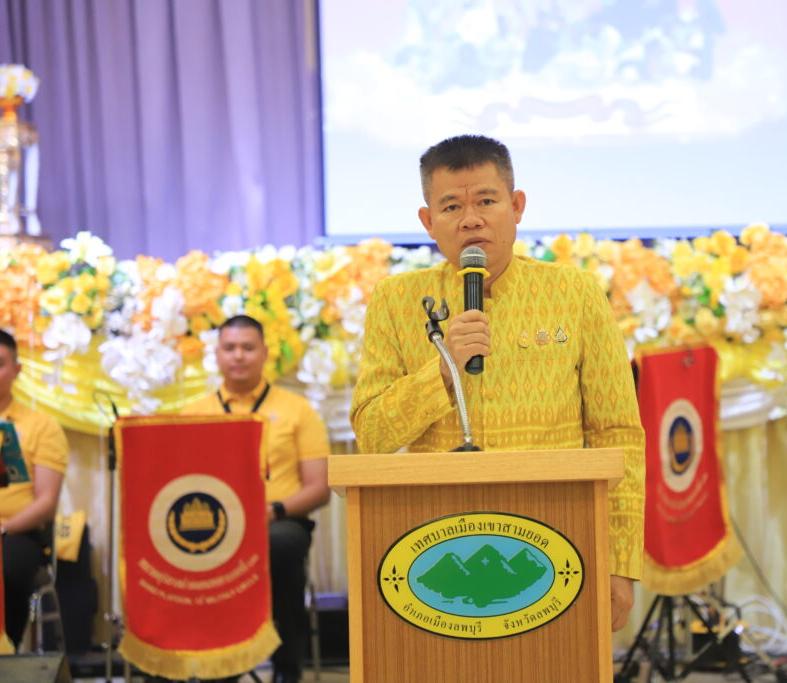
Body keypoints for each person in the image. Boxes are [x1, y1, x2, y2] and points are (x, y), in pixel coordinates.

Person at [350, 134, 645, 631]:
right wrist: (442, 371)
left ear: (517, 206)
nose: (470, 219)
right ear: (428, 222)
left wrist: (620, 562)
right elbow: (371, 434)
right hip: (435, 546)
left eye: (486, 201)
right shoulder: (396, 301)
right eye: (451, 206)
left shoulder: (574, 294)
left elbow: (618, 434)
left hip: (557, 544)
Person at [183, 315, 330, 683]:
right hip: (215, 527)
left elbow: (319, 487)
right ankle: (217, 665)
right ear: (216, 354)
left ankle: (287, 667)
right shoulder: (194, 413)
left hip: (279, 522)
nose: (239, 356)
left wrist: (272, 511)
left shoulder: (298, 410)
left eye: (248, 348)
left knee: (279, 545)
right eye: (230, 348)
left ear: (265, 353)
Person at [0, 327, 69, 648]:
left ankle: (2, 651)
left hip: (14, 533)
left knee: (8, 567)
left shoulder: (41, 426)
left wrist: (1, 530)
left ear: (16, 370)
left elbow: (46, 502)